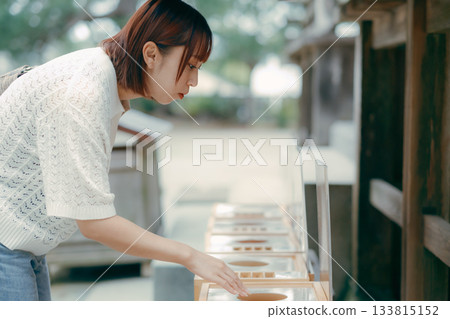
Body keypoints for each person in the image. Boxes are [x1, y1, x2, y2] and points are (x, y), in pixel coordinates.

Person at [0, 0, 249, 301]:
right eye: (192, 65)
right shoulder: (82, 94)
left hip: (26, 249)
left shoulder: (102, 80)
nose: (194, 80)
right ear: (152, 54)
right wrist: (190, 256)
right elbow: (95, 223)